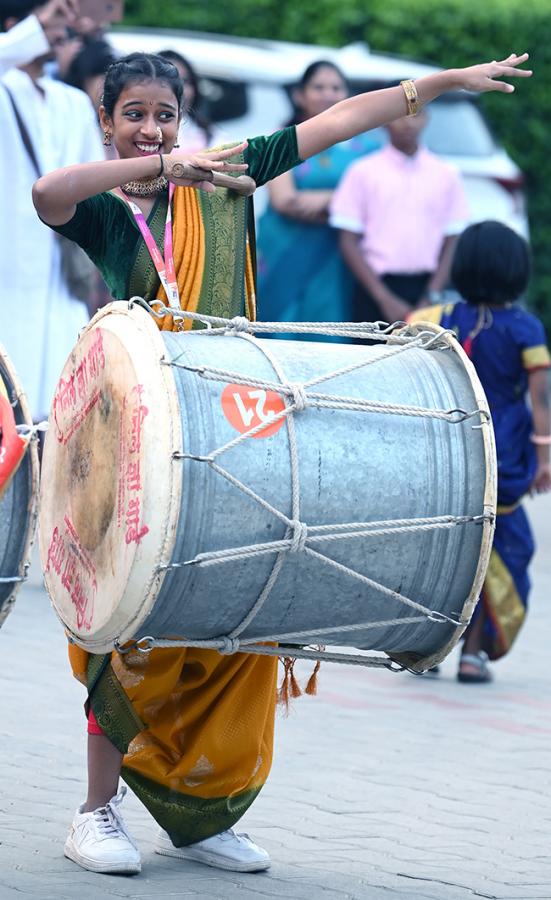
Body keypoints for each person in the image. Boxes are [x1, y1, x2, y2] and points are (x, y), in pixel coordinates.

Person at [32, 49, 532, 876]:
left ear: (185, 115)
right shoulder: (110, 208)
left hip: (235, 422)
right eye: (134, 114)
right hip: (140, 441)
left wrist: (433, 89)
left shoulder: (229, 176)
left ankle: (202, 818)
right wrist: (158, 166)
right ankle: (96, 813)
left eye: (165, 113)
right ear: (107, 121)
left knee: (244, 625)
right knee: (133, 633)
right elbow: (48, 195)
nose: (151, 126)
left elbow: (336, 122)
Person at [409, 221, 550, 683]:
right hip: (501, 455)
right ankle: (473, 655)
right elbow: (540, 397)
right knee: (499, 552)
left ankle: (424, 649)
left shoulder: (437, 319)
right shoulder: (525, 328)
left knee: (447, 551)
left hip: (449, 453)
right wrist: (545, 457)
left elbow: (405, 357)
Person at [0, 0, 103, 422]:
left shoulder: (73, 102)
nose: (61, 33)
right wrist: (36, 25)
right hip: (7, 268)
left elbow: (95, 185)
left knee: (62, 406)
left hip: (62, 274)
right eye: (50, 24)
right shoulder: (4, 86)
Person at [257, 60, 381, 328]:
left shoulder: (368, 150)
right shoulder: (282, 141)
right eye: (319, 87)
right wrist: (346, 207)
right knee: (278, 328)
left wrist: (329, 199)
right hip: (284, 248)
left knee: (330, 327)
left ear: (347, 95)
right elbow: (285, 201)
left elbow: (377, 206)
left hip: (338, 256)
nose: (328, 94)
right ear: (299, 95)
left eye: (336, 87)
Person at [330, 108, 468, 324]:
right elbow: (348, 241)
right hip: (375, 290)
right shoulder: (362, 171)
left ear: (426, 119)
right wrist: (384, 299)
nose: (408, 123)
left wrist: (431, 296)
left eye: (416, 114)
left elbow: (452, 240)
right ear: (384, 119)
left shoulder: (446, 173)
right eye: (399, 114)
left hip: (427, 289)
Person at [158, 49, 221, 153]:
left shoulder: (212, 139)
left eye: (184, 81)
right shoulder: (134, 135)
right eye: (167, 81)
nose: (179, 89)